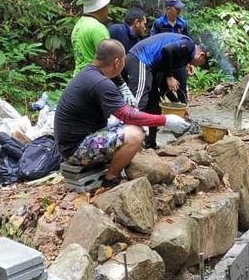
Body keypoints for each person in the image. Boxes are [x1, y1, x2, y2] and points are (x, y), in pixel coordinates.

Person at [54, 40, 191, 188]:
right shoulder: (101, 84)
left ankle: (114, 162)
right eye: (124, 59)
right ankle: (110, 178)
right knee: (135, 134)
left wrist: (124, 87)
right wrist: (165, 120)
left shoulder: (92, 72)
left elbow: (118, 83)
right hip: (75, 149)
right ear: (117, 62)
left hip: (75, 139)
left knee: (134, 124)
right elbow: (128, 116)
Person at [123, 32, 210, 149]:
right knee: (139, 103)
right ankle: (126, 142)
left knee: (154, 106)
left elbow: (163, 84)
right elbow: (166, 50)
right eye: (201, 63)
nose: (199, 66)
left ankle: (150, 144)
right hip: (140, 59)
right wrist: (170, 76)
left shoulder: (183, 57)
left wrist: (178, 105)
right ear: (201, 55)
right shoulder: (188, 45)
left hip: (150, 67)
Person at [151, 0, 191, 103]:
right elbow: (153, 41)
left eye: (180, 8)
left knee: (182, 89)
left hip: (179, 61)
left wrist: (189, 62)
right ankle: (175, 105)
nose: (179, 10)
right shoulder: (158, 24)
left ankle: (184, 111)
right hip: (163, 61)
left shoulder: (183, 24)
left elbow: (188, 42)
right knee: (161, 86)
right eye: (176, 8)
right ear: (168, 8)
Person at [71, 0, 112, 77]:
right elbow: (108, 61)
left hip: (79, 78)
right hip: (94, 79)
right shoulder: (97, 28)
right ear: (101, 7)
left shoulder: (78, 25)